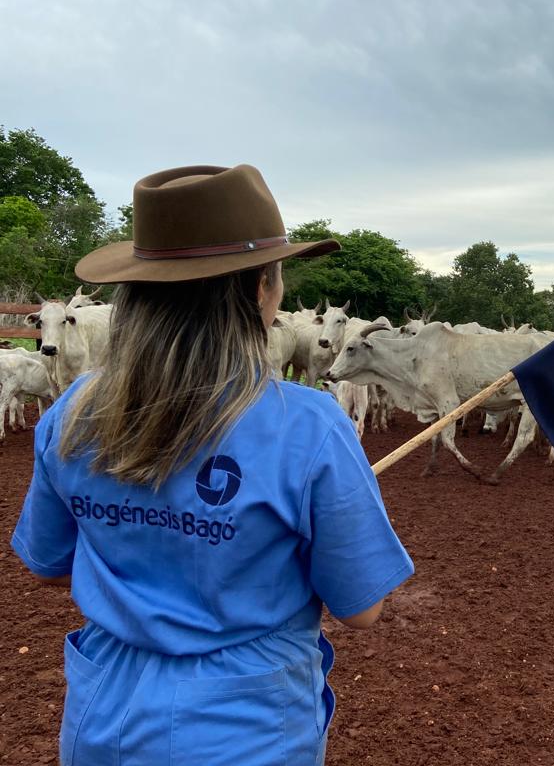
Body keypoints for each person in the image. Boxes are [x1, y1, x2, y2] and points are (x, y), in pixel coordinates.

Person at [10, 164, 414, 765]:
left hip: (102, 715)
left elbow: (47, 566)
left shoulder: (75, 410)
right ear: (260, 289)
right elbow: (361, 607)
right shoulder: (308, 426)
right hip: (246, 726)